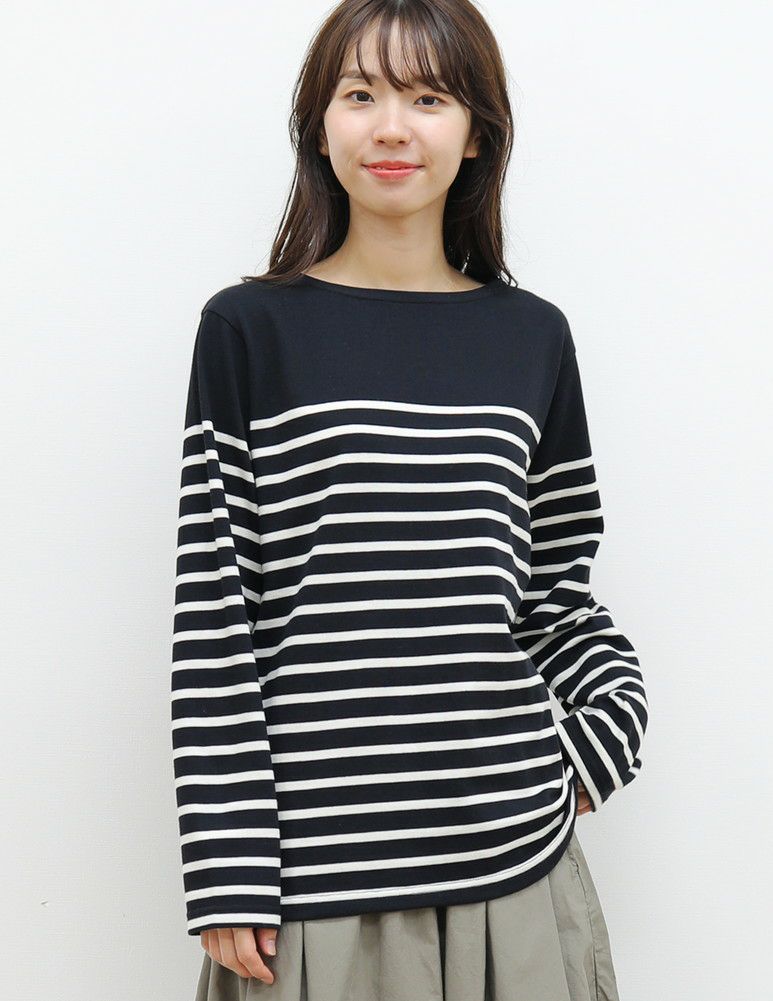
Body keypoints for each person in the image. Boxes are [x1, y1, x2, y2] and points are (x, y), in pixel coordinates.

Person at [170, 2, 648, 998]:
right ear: (319, 127)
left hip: (509, 871)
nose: (391, 127)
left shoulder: (531, 338)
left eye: (428, 98)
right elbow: (218, 612)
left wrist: (605, 726)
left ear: (475, 133)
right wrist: (226, 858)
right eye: (360, 94)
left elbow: (554, 593)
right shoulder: (248, 331)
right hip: (311, 881)